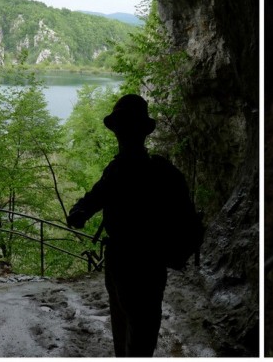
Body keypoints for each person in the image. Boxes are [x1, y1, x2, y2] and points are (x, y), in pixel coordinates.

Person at [66, 93, 184, 357]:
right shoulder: (159, 171)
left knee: (124, 329)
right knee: (141, 333)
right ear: (144, 131)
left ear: (120, 130)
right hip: (151, 263)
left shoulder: (119, 170)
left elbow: (93, 199)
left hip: (121, 260)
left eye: (121, 127)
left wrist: (78, 212)